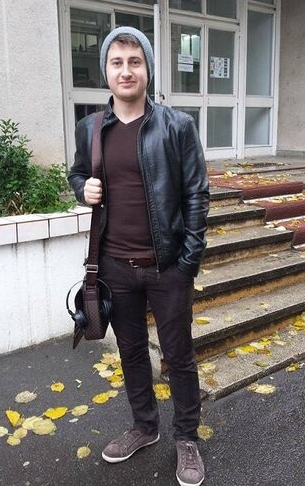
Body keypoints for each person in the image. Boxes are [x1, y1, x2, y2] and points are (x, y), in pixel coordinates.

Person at [68, 26, 209, 486]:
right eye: (117, 62)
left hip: (168, 267)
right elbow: (77, 174)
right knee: (130, 352)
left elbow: (196, 193)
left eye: (135, 62)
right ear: (106, 71)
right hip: (113, 266)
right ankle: (145, 426)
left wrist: (188, 260)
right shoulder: (90, 128)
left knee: (178, 356)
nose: (126, 71)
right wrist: (82, 189)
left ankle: (186, 438)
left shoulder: (177, 126)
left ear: (147, 69)